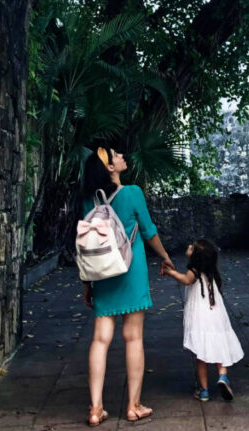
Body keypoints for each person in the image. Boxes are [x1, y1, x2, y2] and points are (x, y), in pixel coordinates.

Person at [80, 146, 174, 426]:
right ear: (110, 167)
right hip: (130, 271)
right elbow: (149, 231)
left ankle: (96, 409)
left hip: (101, 274)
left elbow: (87, 245)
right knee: (133, 338)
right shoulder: (133, 193)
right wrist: (166, 257)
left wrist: (87, 283)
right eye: (116, 155)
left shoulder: (89, 200)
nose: (122, 156)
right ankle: (133, 406)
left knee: (100, 339)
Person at [161, 239, 244, 402]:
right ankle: (223, 377)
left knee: (201, 354)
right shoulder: (210, 270)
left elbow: (186, 280)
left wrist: (170, 273)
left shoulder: (194, 269)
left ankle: (204, 391)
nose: (188, 246)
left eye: (192, 247)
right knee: (219, 344)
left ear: (197, 256)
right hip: (216, 313)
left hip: (200, 315)